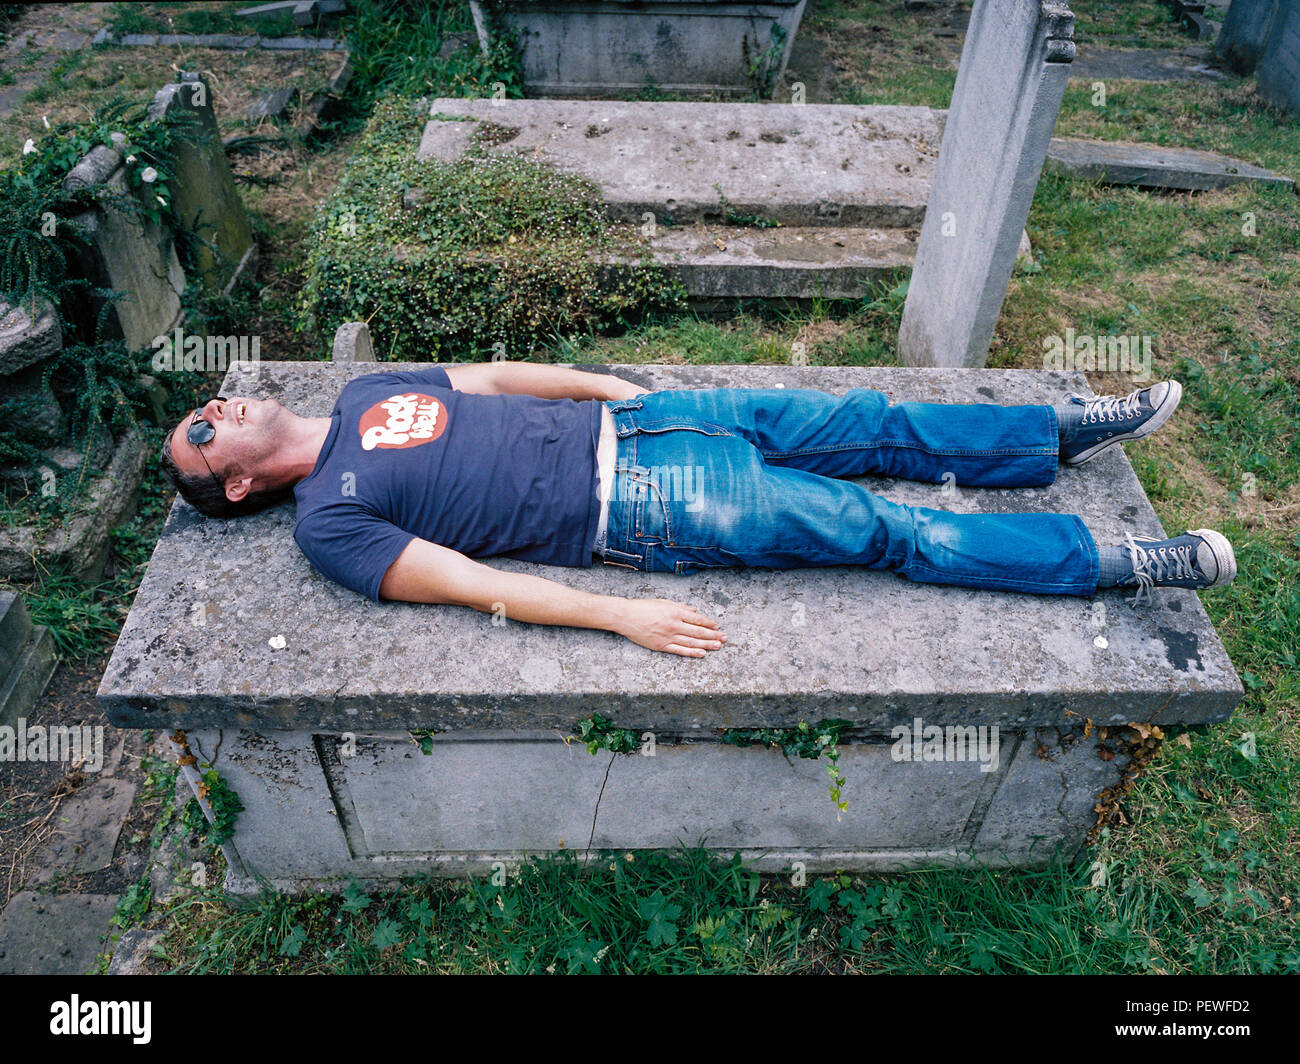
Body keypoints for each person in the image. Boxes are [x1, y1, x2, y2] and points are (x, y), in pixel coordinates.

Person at [159, 362, 1236, 658]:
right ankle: (1116, 560)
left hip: (660, 419)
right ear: (239, 485)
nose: (219, 407)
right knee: (882, 531)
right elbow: (477, 587)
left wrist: (608, 388)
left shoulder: (358, 397)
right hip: (643, 501)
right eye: (205, 432)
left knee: (871, 420)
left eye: (205, 404)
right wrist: (616, 615)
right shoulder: (327, 525)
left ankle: (1055, 435)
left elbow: (486, 378)